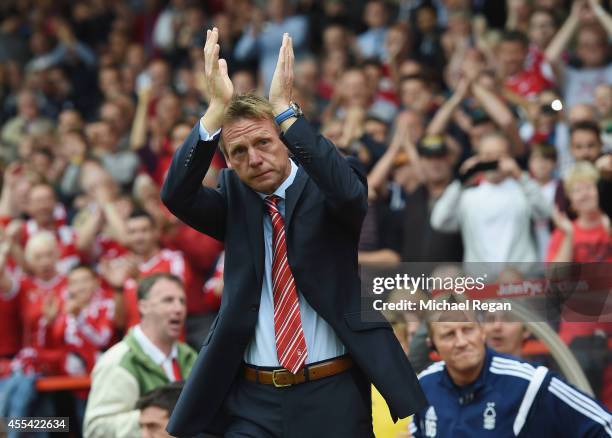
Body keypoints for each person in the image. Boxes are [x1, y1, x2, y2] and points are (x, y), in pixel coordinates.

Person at [161, 29, 426, 437]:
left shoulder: (331, 187)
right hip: (252, 399)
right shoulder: (233, 199)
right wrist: (215, 112)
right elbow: (177, 195)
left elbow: (349, 193)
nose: (255, 158)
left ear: (285, 140)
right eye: (239, 152)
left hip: (332, 391)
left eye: (264, 142)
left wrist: (286, 110)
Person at [410, 310, 612, 437]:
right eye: (449, 334)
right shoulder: (424, 385)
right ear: (432, 345)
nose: (462, 342)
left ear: (482, 332)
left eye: (468, 330)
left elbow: (604, 425)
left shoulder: (529, 381)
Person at [83, 273, 197, 438]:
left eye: (182, 301)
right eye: (168, 300)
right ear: (143, 307)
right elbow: (95, 430)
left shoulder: (191, 356)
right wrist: (147, 419)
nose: (178, 308)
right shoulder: (118, 361)